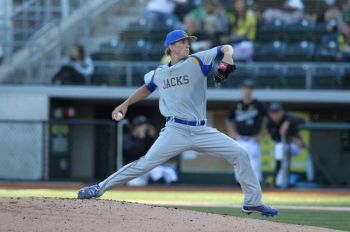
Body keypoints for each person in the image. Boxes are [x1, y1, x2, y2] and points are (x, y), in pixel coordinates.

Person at [77, 30, 278, 217]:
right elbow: (146, 88)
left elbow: (226, 48)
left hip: (201, 129)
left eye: (188, 41)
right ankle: (99, 187)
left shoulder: (197, 60)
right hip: (175, 130)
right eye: (182, 42)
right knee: (144, 164)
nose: (187, 45)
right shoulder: (160, 73)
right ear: (171, 47)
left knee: (240, 154)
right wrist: (126, 104)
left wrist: (227, 58)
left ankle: (252, 201)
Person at [225, 80, 266, 182]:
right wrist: (231, 132)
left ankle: (257, 184)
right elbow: (228, 119)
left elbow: (267, 119)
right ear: (242, 90)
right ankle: (239, 184)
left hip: (253, 139)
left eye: (250, 89)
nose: (247, 91)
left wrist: (262, 133)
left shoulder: (258, 104)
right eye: (245, 89)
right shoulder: (237, 104)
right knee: (238, 162)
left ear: (252, 91)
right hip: (240, 138)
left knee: (254, 163)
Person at [266, 102, 305, 188]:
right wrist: (291, 139)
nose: (275, 115)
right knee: (280, 150)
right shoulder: (269, 123)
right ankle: (280, 182)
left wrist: (288, 122)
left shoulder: (287, 117)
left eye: (277, 112)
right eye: (273, 113)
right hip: (284, 145)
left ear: (281, 112)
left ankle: (278, 181)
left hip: (296, 147)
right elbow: (275, 138)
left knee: (280, 151)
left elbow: (302, 121)